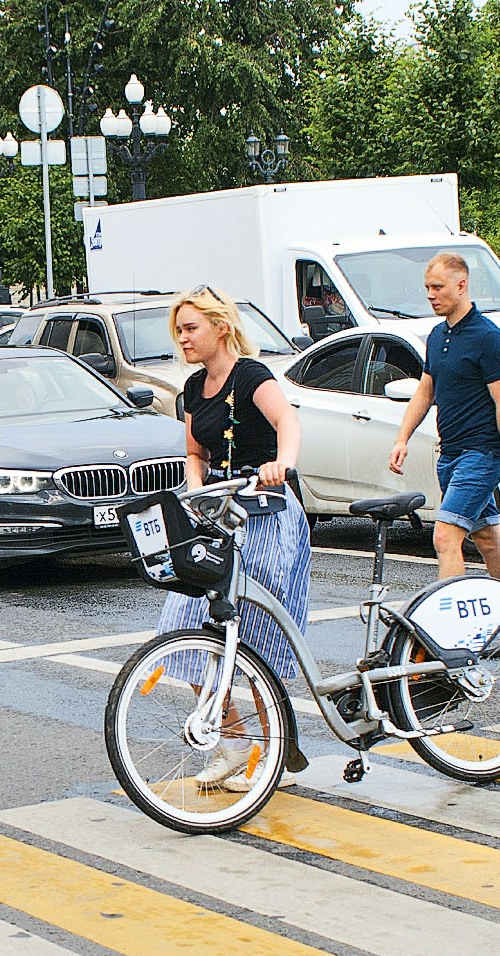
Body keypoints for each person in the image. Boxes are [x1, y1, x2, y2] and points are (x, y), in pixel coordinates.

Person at [157, 286, 311, 792]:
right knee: (183, 625)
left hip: (266, 513)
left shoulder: (251, 376)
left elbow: (286, 420)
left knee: (258, 639)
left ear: (220, 327)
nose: (183, 338)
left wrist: (281, 464)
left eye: (191, 328)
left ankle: (276, 754)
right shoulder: (192, 388)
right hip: (220, 515)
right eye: (179, 330)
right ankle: (234, 744)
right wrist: (196, 494)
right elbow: (195, 453)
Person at [388, 253, 500, 626]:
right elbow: (426, 391)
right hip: (451, 455)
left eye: (438, 287)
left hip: (481, 455)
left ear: (461, 285)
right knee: (488, 540)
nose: (431, 295)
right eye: (427, 287)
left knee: (445, 537)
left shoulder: (489, 339)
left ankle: (449, 631)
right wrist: (402, 438)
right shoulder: (438, 336)